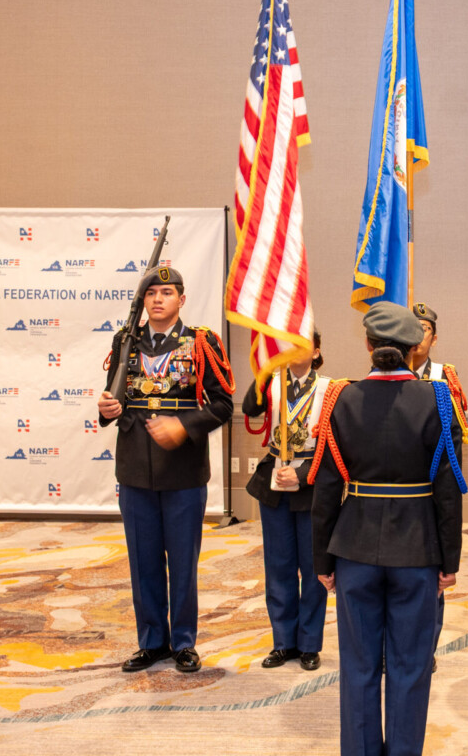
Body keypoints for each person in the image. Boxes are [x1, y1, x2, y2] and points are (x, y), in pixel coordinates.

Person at [310, 303, 465, 756]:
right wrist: (449, 560)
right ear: (415, 348)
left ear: (367, 345)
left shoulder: (341, 398)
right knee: (410, 666)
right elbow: (448, 489)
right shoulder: (436, 399)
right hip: (418, 551)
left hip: (354, 548)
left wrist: (323, 560)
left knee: (358, 667)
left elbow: (325, 490)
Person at [97, 267, 234, 673]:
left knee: (182, 562)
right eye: (151, 293)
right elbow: (114, 397)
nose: (158, 299)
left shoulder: (202, 343)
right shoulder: (126, 342)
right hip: (136, 468)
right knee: (143, 561)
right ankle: (152, 641)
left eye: (167, 292)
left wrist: (184, 426)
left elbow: (223, 406)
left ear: (181, 300)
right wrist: (106, 409)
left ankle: (184, 642)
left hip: (183, 471)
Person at [242, 331, 330, 671]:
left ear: (317, 351)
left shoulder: (329, 390)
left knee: (312, 569)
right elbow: (250, 408)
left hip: (310, 483)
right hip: (275, 479)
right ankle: (283, 642)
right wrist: (264, 369)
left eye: (303, 343)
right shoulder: (273, 381)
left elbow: (336, 445)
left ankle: (309, 644)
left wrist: (306, 472)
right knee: (278, 566)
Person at [409, 301, 467, 671]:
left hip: (431, 488)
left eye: (424, 329)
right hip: (395, 487)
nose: (417, 336)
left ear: (434, 336)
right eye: (411, 329)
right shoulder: (385, 373)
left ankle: (426, 647)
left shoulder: (446, 378)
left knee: (432, 576)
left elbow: (456, 436)